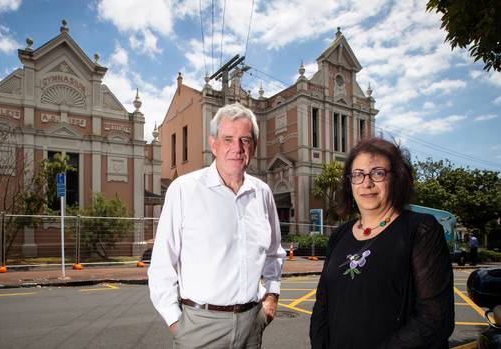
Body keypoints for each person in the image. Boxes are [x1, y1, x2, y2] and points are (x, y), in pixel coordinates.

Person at [148, 103, 286, 348]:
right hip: (199, 327)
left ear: (253, 145)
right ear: (213, 144)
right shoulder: (184, 190)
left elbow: (274, 253)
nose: (237, 148)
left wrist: (271, 297)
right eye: (228, 139)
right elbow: (162, 265)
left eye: (245, 139)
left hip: (251, 324)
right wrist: (176, 323)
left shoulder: (262, 193)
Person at [309, 137, 454, 348]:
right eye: (358, 175)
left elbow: (435, 319)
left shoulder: (420, 230)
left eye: (378, 173)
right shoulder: (339, 235)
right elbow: (322, 304)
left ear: (397, 178)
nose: (366, 183)